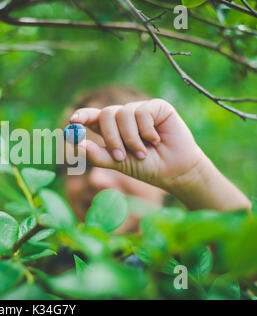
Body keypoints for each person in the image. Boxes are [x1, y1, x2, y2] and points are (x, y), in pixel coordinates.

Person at [63, 86, 251, 233]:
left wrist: (190, 175)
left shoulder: (191, 257)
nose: (97, 179)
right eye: (80, 165)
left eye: (118, 160)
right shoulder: (42, 265)